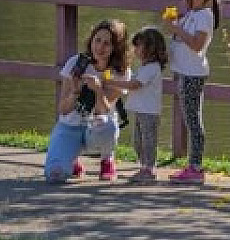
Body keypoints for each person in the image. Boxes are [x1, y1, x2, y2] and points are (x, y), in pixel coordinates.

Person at [42, 19, 130, 183]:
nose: (100, 47)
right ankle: (71, 159)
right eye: (97, 40)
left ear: (115, 48)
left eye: (107, 43)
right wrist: (75, 91)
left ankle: (107, 160)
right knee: (54, 175)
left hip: (97, 128)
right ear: (91, 40)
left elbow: (104, 110)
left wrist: (98, 90)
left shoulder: (120, 72)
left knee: (108, 125)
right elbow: (63, 109)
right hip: (70, 126)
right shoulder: (76, 63)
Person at [165, 0, 220, 184]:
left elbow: (198, 45)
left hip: (193, 74)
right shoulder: (192, 14)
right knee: (190, 118)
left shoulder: (205, 16)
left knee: (193, 120)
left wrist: (177, 30)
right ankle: (193, 165)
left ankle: (196, 167)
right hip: (184, 73)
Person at [101, 26, 168, 184]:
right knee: (138, 141)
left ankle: (149, 169)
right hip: (140, 111)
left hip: (149, 113)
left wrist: (111, 82)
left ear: (150, 48)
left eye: (138, 45)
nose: (135, 49)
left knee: (148, 141)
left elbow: (134, 85)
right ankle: (144, 167)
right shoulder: (144, 67)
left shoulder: (152, 68)